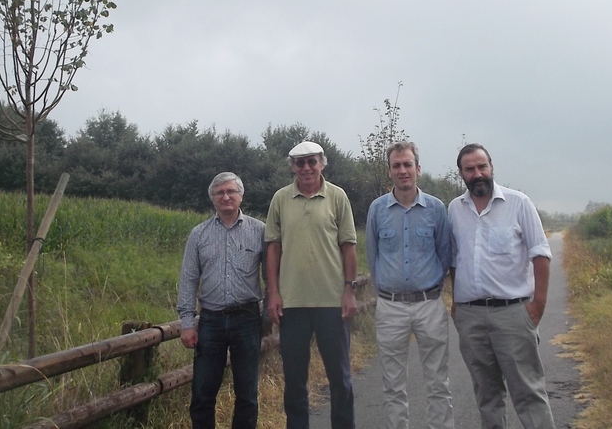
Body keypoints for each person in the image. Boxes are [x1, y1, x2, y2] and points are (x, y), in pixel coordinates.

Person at [447, 144, 555, 429]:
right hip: (471, 318)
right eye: (470, 169)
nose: (477, 173)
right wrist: (457, 303)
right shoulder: (455, 210)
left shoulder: (519, 203)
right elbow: (455, 259)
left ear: (492, 167)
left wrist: (537, 306)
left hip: (513, 314)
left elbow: (540, 254)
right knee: (486, 394)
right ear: (461, 174)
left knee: (528, 393)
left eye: (482, 166)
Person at [266, 141, 358, 429]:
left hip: (332, 302)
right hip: (292, 303)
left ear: (322, 163)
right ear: (292, 166)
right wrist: (273, 293)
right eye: (300, 162)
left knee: (340, 378)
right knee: (294, 380)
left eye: (311, 162)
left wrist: (349, 290)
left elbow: (349, 246)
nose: (306, 168)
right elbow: (273, 248)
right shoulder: (280, 198)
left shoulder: (337, 197)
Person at [366, 141, 455, 429]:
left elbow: (444, 254)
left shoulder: (436, 209)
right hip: (390, 307)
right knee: (392, 384)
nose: (403, 170)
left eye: (408, 164)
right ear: (389, 171)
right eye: (396, 165)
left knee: (438, 381)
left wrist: (431, 288)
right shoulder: (377, 210)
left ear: (418, 168)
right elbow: (373, 254)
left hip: (429, 305)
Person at [176, 172, 267, 429]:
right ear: (213, 199)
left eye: (231, 191)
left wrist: (268, 314)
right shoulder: (199, 234)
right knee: (203, 393)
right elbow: (189, 279)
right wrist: (187, 321)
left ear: (241, 196)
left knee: (247, 394)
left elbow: (271, 275)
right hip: (211, 321)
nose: (226, 197)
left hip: (247, 319)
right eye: (220, 193)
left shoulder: (259, 231)